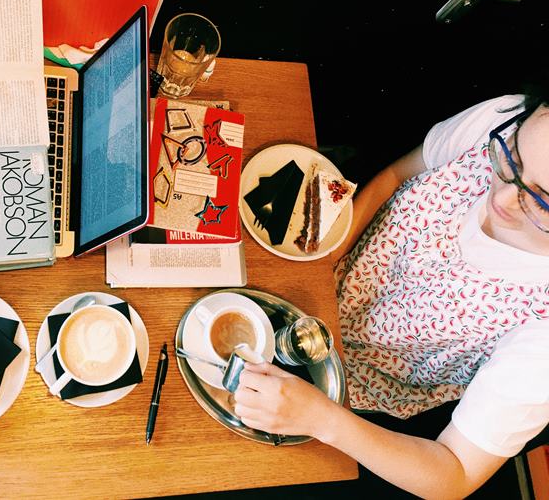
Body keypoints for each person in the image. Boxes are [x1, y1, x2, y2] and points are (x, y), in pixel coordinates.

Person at [234, 87, 549, 498]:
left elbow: (454, 473)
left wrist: (323, 419)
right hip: (314, 276)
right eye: (513, 159)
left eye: (542, 202)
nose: (502, 197)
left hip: (340, 389)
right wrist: (320, 265)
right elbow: (396, 177)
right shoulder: (505, 116)